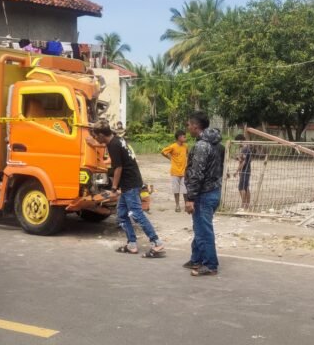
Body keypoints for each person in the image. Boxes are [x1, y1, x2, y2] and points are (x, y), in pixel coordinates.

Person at [92, 121, 165, 258]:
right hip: (130, 182)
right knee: (121, 215)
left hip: (130, 183)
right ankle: (132, 244)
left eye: (96, 136)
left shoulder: (112, 145)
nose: (96, 139)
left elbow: (118, 168)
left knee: (137, 214)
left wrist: (114, 187)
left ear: (102, 135)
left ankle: (157, 243)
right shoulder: (118, 139)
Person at [183, 112, 225, 277]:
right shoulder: (216, 144)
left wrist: (190, 198)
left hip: (204, 194)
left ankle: (210, 264)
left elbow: (197, 174)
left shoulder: (202, 146)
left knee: (203, 230)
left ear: (196, 126)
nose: (187, 128)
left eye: (188, 125)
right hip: (214, 191)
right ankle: (197, 259)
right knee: (200, 227)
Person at [161, 130, 188, 212]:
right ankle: (177, 205)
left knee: (185, 190)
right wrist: (170, 158)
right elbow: (163, 152)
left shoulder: (185, 146)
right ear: (179, 137)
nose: (185, 138)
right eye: (184, 136)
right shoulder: (173, 146)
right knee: (176, 190)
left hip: (184, 172)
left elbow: (188, 154)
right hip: (175, 172)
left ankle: (186, 205)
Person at [233, 133, 252, 211]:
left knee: (241, 187)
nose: (237, 144)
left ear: (240, 141)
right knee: (246, 187)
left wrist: (237, 171)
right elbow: (244, 160)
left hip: (244, 170)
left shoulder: (244, 149)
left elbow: (243, 162)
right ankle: (247, 205)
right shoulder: (248, 148)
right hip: (248, 169)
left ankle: (243, 205)